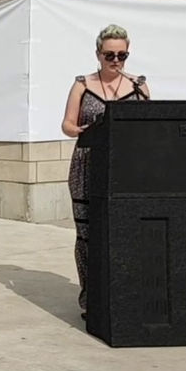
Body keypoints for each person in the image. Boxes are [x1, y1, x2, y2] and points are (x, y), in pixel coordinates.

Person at [61, 24, 150, 318]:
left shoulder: (138, 86)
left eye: (121, 55)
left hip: (126, 167)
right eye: (109, 55)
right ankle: (91, 297)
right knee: (88, 235)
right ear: (98, 54)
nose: (115, 61)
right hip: (88, 165)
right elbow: (67, 124)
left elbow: (151, 123)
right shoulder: (82, 85)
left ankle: (122, 295)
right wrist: (81, 130)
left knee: (124, 233)